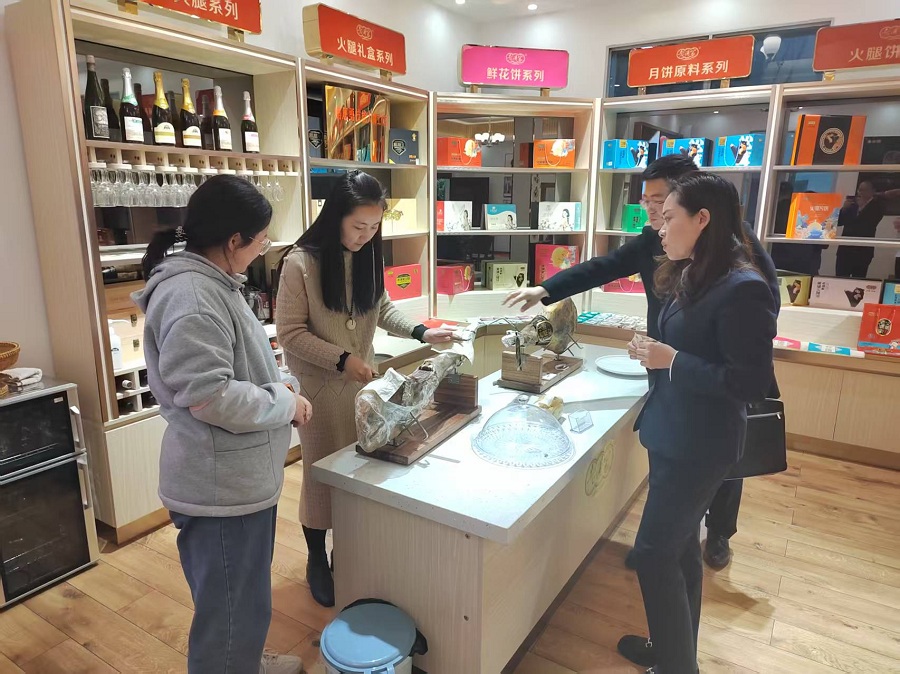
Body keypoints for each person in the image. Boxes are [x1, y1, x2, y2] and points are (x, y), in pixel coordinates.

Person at [505, 154, 780, 570]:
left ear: (690, 201)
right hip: (664, 365)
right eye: (647, 201)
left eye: (660, 202)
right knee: (667, 453)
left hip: (714, 375)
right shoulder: (656, 239)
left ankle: (718, 533)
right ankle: (666, 539)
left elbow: (762, 304)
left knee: (720, 464)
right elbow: (603, 266)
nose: (651, 211)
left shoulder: (732, 244)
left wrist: (701, 348)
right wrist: (546, 289)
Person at [133, 175, 311, 674]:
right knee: (230, 611)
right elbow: (210, 396)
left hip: (235, 481)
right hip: (220, 490)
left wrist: (280, 384)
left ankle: (244, 661)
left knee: (240, 600)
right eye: (261, 242)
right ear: (234, 241)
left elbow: (235, 367)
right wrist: (284, 403)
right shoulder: (192, 295)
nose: (261, 251)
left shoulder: (212, 284)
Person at [618, 173, 777, 673]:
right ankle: (673, 651)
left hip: (701, 446)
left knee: (652, 554)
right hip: (672, 434)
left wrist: (673, 361)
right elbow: (690, 345)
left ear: (703, 218)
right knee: (681, 549)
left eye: (668, 217)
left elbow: (750, 382)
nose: (659, 228)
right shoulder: (694, 272)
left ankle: (675, 664)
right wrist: (655, 352)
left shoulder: (744, 287)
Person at [276, 171, 456, 607]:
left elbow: (381, 307)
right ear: (335, 216)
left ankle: (346, 550)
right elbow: (290, 333)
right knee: (321, 477)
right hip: (318, 392)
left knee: (360, 471)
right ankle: (316, 557)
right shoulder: (300, 263)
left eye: (374, 226)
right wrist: (342, 359)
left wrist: (422, 331)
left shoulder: (368, 254)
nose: (366, 235)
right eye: (359, 226)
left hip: (362, 388)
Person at [836, 181, 900, 278]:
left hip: (863, 251)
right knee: (840, 278)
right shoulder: (852, 204)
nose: (860, 193)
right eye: (859, 190)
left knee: (859, 279)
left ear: (872, 191)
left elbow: (870, 222)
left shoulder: (877, 205)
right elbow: (839, 222)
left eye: (864, 190)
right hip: (845, 250)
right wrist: (844, 209)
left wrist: (862, 208)